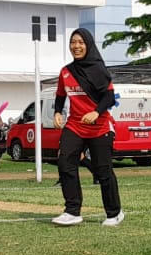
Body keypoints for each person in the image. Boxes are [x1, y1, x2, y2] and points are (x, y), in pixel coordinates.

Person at [50, 28, 123, 226]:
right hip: (75, 125)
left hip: (99, 127)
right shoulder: (66, 72)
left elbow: (108, 96)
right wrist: (57, 112)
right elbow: (60, 96)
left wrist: (96, 112)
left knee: (102, 170)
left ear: (88, 44)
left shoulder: (99, 69)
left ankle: (114, 213)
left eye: (81, 42)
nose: (76, 46)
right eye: (73, 42)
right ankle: (72, 211)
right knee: (65, 162)